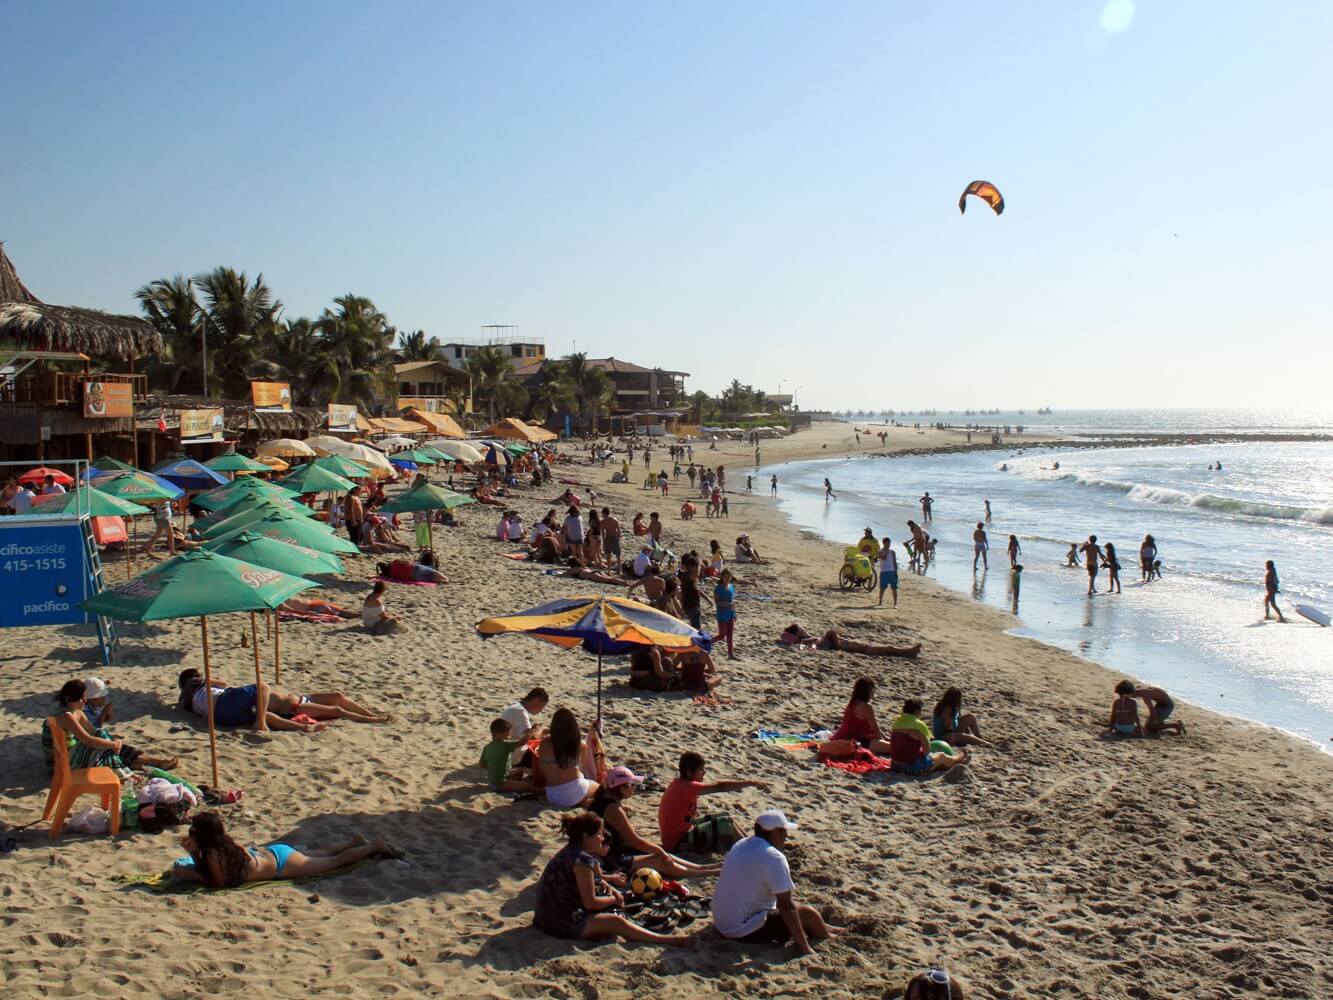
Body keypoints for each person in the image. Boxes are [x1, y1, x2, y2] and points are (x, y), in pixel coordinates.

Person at [532, 812, 695, 946]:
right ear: (586, 837)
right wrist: (614, 899)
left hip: (546, 914)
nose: (603, 838)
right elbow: (591, 902)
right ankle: (666, 940)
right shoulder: (582, 861)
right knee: (617, 922)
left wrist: (612, 889)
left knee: (613, 900)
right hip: (558, 921)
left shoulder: (573, 851)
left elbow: (595, 880)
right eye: (599, 834)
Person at [711, 810, 844, 955]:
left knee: (798, 908)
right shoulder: (774, 857)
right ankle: (828, 937)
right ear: (775, 833)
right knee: (808, 914)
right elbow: (786, 906)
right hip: (740, 931)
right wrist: (805, 948)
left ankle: (828, 928)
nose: (786, 836)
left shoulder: (741, 844)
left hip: (720, 922)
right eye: (784, 832)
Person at [169, 812, 398, 888]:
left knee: (334, 862)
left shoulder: (213, 854)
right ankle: (353, 842)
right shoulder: (224, 844)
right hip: (274, 853)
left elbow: (219, 883)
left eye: (193, 832)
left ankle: (373, 846)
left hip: (281, 865)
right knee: (318, 855)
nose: (190, 835)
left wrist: (192, 873)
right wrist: (192, 853)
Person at [590, 767, 721, 878]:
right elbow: (635, 841)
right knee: (660, 858)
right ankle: (703, 873)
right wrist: (660, 851)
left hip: (613, 851)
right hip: (610, 859)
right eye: (632, 784)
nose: (634, 787)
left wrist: (659, 850)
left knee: (659, 852)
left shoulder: (604, 800)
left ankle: (702, 868)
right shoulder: (612, 809)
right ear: (621, 787)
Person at [177, 668, 389, 727]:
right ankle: (373, 720)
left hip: (299, 697)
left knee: (338, 696)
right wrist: (205, 678)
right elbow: (223, 684)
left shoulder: (197, 698)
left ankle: (370, 713)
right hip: (293, 707)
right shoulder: (199, 687)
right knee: (337, 711)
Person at [48, 679, 178, 773]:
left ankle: (147, 764)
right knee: (106, 743)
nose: (85, 701)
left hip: (69, 754)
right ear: (68, 699)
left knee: (106, 740)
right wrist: (112, 744)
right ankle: (152, 763)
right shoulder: (65, 715)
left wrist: (111, 742)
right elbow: (89, 740)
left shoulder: (76, 711)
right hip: (61, 763)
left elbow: (93, 731)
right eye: (82, 698)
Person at [658, 751, 767, 854]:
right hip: (677, 844)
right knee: (725, 823)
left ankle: (751, 844)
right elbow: (721, 787)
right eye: (701, 770)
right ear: (689, 773)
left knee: (726, 816)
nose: (704, 773)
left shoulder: (680, 784)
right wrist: (751, 783)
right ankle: (752, 852)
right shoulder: (688, 787)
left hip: (681, 836)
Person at [889, 699, 970, 775]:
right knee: (941, 756)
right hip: (911, 768)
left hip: (895, 765)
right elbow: (927, 751)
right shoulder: (918, 725)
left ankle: (954, 761)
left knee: (934, 759)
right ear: (916, 711)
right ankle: (959, 760)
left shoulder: (897, 722)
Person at [538, 708, 598, 808]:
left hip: (552, 795)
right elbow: (581, 767)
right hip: (576, 791)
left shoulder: (544, 743)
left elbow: (542, 770)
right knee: (599, 787)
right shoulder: (581, 745)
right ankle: (583, 801)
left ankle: (582, 801)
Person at [825, 677, 893, 755]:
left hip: (841, 737)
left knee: (889, 741)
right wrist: (882, 740)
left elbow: (875, 728)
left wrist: (885, 737)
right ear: (870, 690)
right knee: (894, 748)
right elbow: (875, 729)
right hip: (853, 741)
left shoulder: (853, 702)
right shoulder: (866, 706)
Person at [780, 624, 920, 659]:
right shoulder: (808, 641)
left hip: (853, 644)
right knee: (888, 648)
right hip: (856, 647)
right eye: (801, 629)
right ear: (798, 633)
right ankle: (909, 651)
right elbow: (818, 645)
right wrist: (833, 636)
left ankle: (908, 652)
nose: (804, 629)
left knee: (888, 649)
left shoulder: (809, 640)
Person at [481, 718, 537, 792]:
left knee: (522, 770)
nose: (509, 736)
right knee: (526, 786)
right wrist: (531, 731)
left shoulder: (487, 747)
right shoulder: (504, 745)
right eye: (507, 734)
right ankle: (543, 791)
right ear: (499, 734)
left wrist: (495, 768)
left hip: (493, 780)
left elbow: (482, 764)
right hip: (499, 783)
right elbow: (522, 742)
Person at [500, 687, 548, 767]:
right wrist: (538, 731)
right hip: (513, 756)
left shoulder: (515, 706)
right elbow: (529, 738)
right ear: (536, 701)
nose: (541, 710)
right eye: (542, 706)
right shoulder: (520, 711)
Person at [714, 569, 737, 659]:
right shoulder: (718, 588)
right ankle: (708, 642)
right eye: (725, 577)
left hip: (730, 613)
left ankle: (731, 654)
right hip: (722, 614)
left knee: (730, 636)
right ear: (722, 577)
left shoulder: (731, 586)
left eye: (729, 577)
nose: (727, 579)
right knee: (722, 635)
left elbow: (732, 601)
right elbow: (717, 602)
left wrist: (734, 614)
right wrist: (728, 605)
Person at [376, 559, 446, 584]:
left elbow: (378, 576)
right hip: (415, 569)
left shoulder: (389, 575)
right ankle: (446, 578)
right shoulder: (395, 562)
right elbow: (407, 562)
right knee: (432, 572)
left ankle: (443, 581)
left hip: (413, 577)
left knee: (431, 578)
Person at [876, 537, 899, 607]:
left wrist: (896, 572)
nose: (888, 544)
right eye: (887, 543)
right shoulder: (879, 551)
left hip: (892, 571)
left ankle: (895, 604)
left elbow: (894, 562)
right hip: (884, 572)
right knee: (882, 588)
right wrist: (885, 551)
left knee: (894, 588)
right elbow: (884, 558)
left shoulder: (892, 552)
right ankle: (880, 601)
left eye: (889, 543)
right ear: (884, 543)